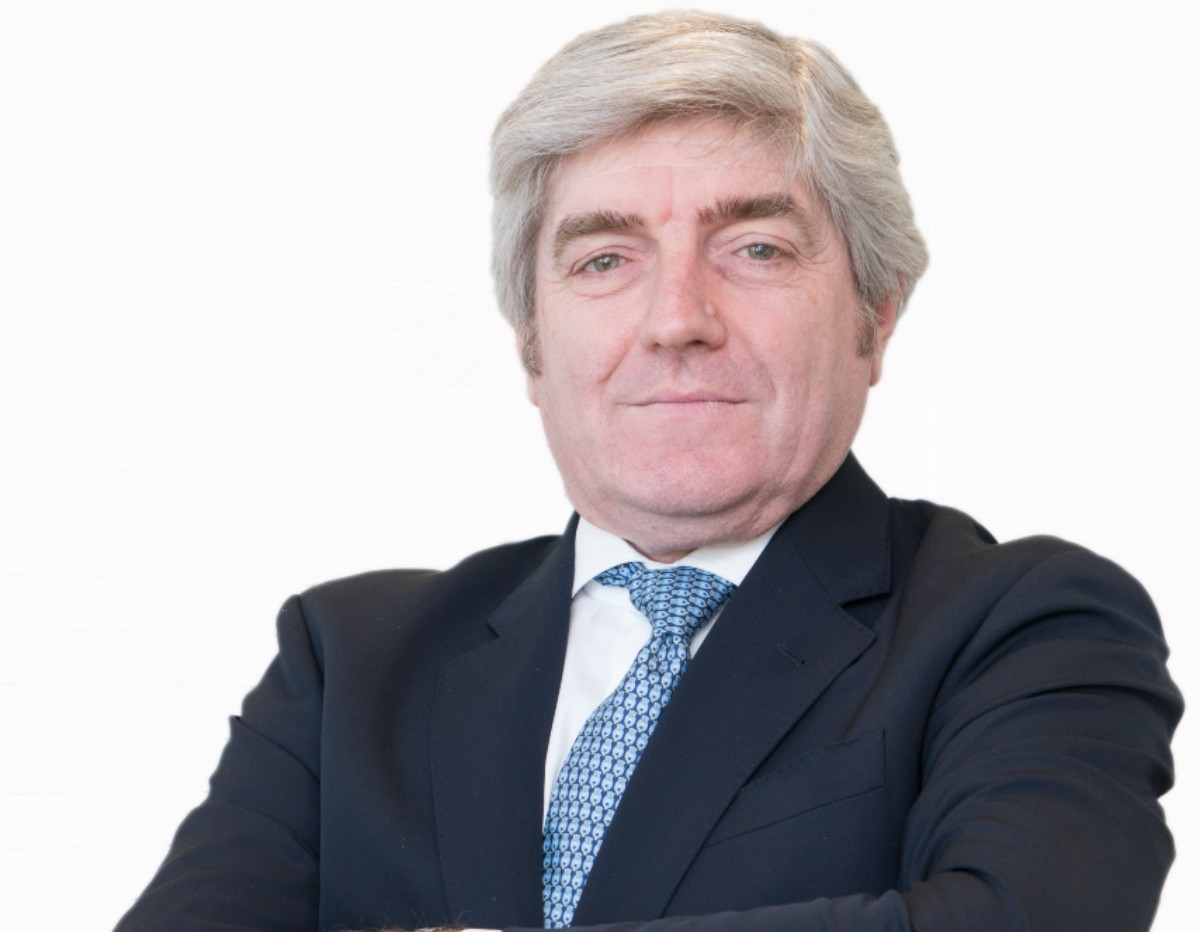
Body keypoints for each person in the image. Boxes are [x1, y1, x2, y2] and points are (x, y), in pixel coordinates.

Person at [114, 10, 1181, 932]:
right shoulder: (349, 662)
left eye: (756, 248)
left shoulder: (1026, 626)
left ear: (876, 315)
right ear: (533, 343)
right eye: (605, 260)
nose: (677, 319)